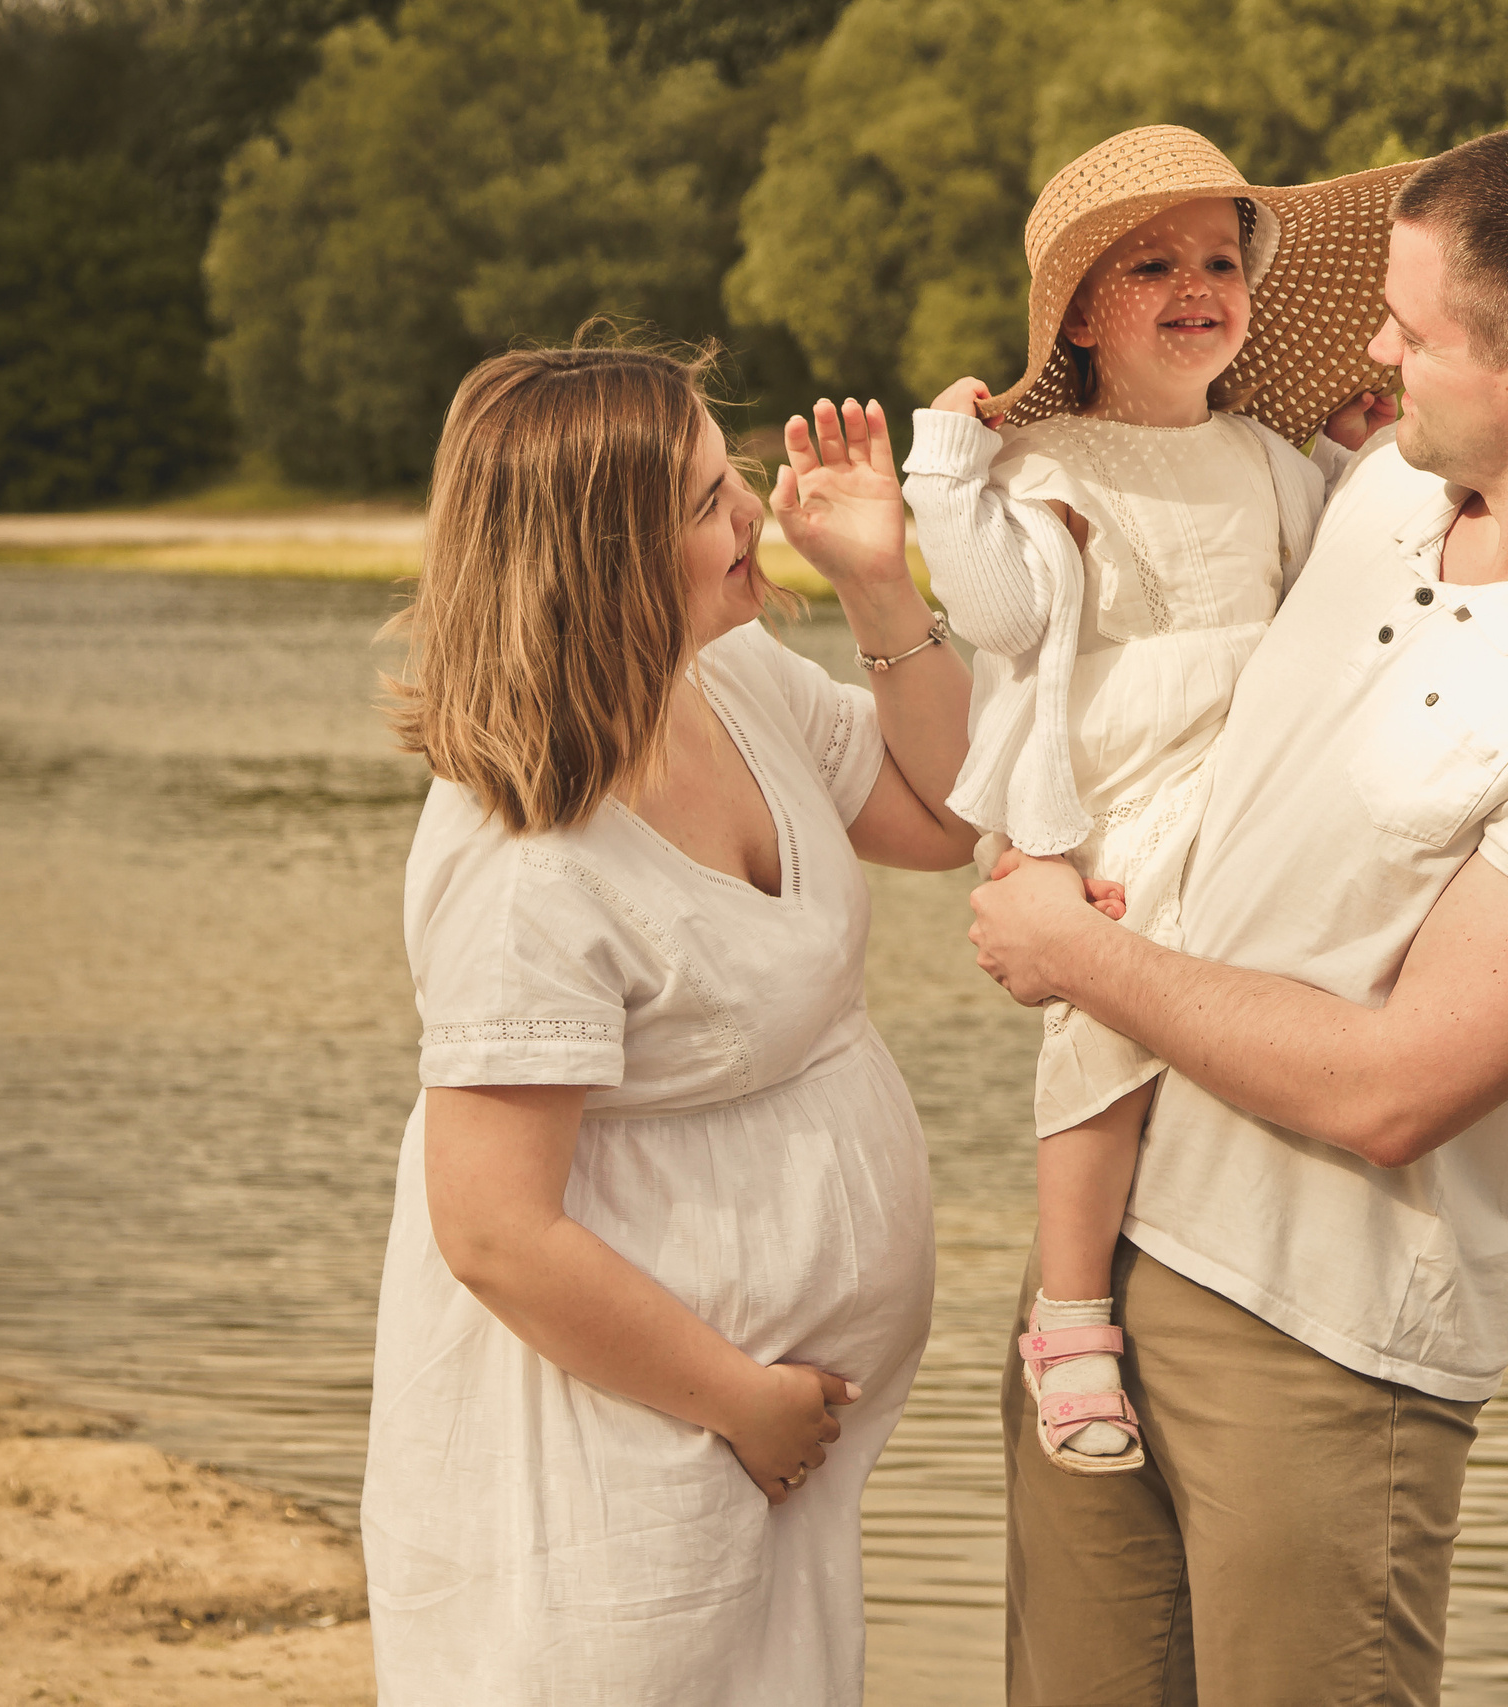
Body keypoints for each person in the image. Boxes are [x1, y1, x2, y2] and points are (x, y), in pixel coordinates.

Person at [966, 124, 1508, 1705]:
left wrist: (1081, 957)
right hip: (1101, 1267)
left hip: (1321, 1348)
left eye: (1408, 327)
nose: (1374, 347)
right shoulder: (1380, 495)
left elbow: (1397, 1088)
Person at [359, 336, 974, 1706]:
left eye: (729, 471)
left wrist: (882, 582)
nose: (755, 507)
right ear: (600, 557)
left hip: (761, 1445)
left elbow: (948, 817)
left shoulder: (730, 679)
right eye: (707, 501)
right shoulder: (525, 859)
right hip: (610, 1441)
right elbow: (496, 1231)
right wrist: (739, 1399)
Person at [900, 125, 1416, 1474]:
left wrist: (1358, 468)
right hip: (1114, 786)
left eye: (1218, 261)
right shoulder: (1050, 464)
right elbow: (1000, 614)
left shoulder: (1258, 454)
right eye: (1152, 267)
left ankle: (1264, 1247)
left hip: (1246, 769)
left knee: (1294, 966)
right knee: (1108, 1032)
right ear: (1078, 309)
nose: (1199, 286)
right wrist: (944, 472)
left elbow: (1330, 603)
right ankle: (1070, 1316)